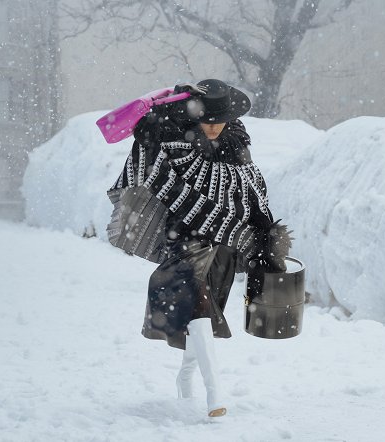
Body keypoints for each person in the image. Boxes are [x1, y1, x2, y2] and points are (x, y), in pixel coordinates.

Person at [106, 79, 292, 417]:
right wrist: (148, 131)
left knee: (201, 319)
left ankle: (186, 375)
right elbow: (151, 173)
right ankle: (214, 394)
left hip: (219, 248)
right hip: (183, 243)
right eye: (206, 121)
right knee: (198, 310)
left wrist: (267, 241)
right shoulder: (173, 139)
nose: (213, 128)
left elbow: (253, 194)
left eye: (218, 121)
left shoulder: (236, 147)